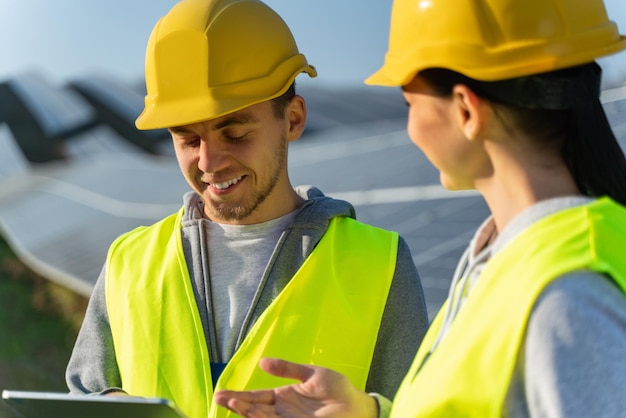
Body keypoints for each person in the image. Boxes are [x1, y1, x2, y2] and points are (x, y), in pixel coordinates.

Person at [213, 0, 626, 417]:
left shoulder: (568, 298)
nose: (411, 128)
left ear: (466, 110)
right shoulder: (505, 257)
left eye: (410, 104)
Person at [64, 0, 429, 417]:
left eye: (234, 133)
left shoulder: (379, 264)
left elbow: (418, 407)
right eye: (187, 140)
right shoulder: (127, 262)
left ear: (292, 119)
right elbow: (84, 395)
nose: (208, 162)